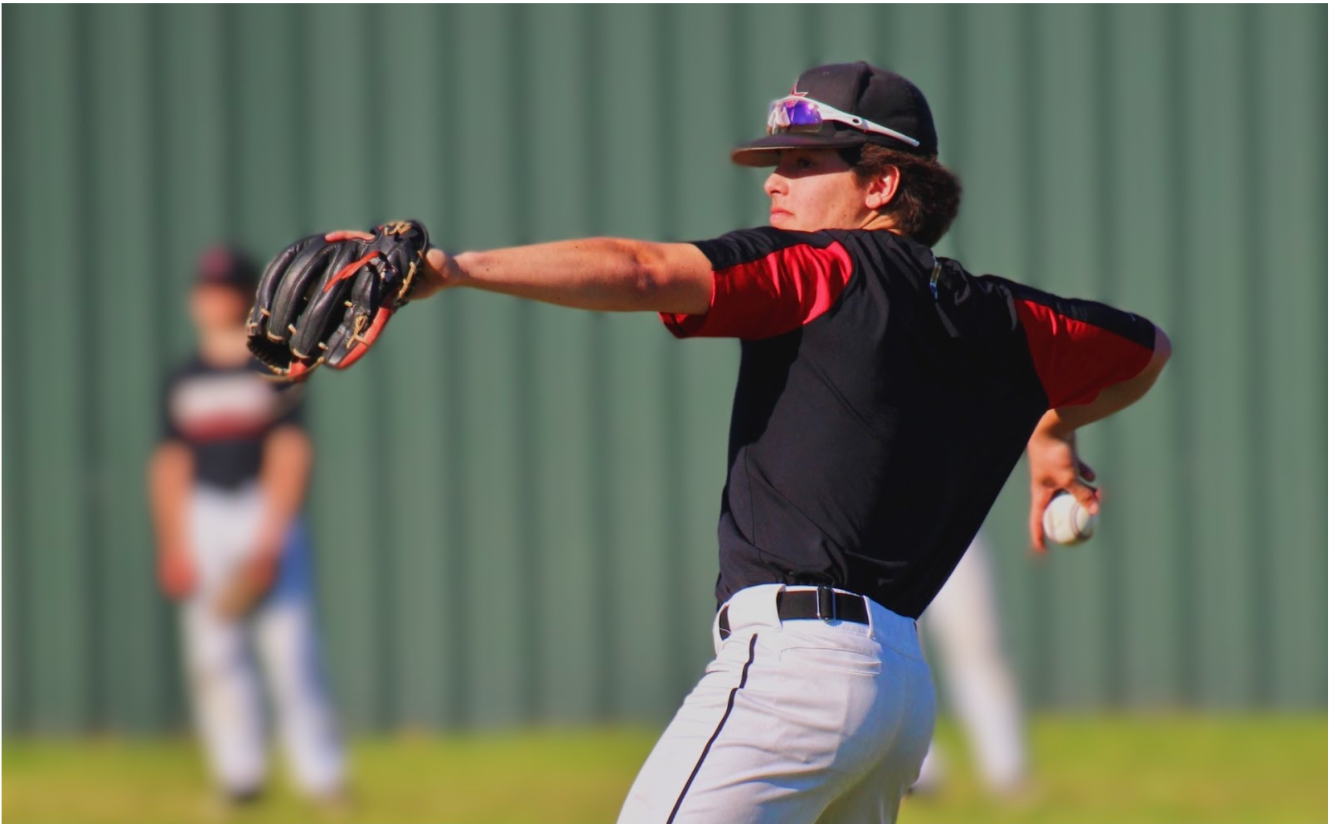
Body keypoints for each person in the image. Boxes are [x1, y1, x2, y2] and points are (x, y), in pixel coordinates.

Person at [266, 60, 1171, 823]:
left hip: (796, 677)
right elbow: (1145, 351)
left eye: (804, 161)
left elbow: (646, 270)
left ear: (881, 183)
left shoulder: (826, 268)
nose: (774, 181)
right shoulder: (1003, 318)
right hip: (896, 694)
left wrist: (451, 270)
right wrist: (1052, 428)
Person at [147, 247, 347, 812]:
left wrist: (271, 536)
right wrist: (174, 543)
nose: (215, 299)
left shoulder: (274, 368)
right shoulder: (183, 378)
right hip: (204, 515)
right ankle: (241, 777)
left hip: (262, 508)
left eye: (226, 288)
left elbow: (290, 451)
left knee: (291, 649)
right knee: (213, 655)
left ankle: (321, 776)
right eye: (207, 289)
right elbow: (169, 463)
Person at [912, 532, 1030, 799]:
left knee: (977, 640)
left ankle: (1007, 769)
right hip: (879, 529)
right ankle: (917, 771)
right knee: (894, 646)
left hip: (950, 519)